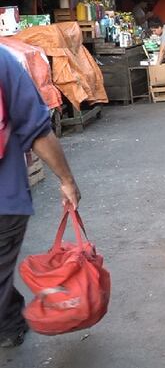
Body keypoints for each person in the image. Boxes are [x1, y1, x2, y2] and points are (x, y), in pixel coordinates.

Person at [0, 46, 80, 348]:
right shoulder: (3, 61)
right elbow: (38, 131)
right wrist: (67, 181)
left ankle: (9, 324)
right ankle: (9, 324)